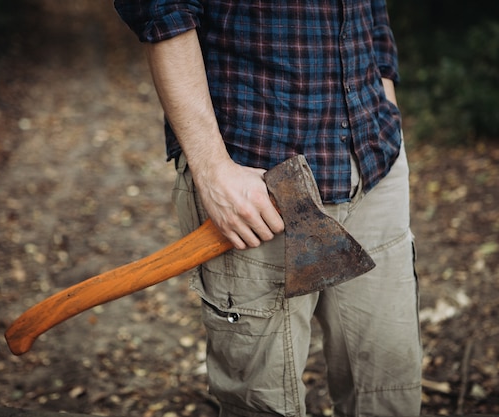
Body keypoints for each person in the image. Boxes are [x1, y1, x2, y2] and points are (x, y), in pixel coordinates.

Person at [114, 1, 422, 416]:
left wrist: (386, 103)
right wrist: (212, 169)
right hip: (256, 181)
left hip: (373, 160)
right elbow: (162, 8)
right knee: (262, 404)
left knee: (390, 391)